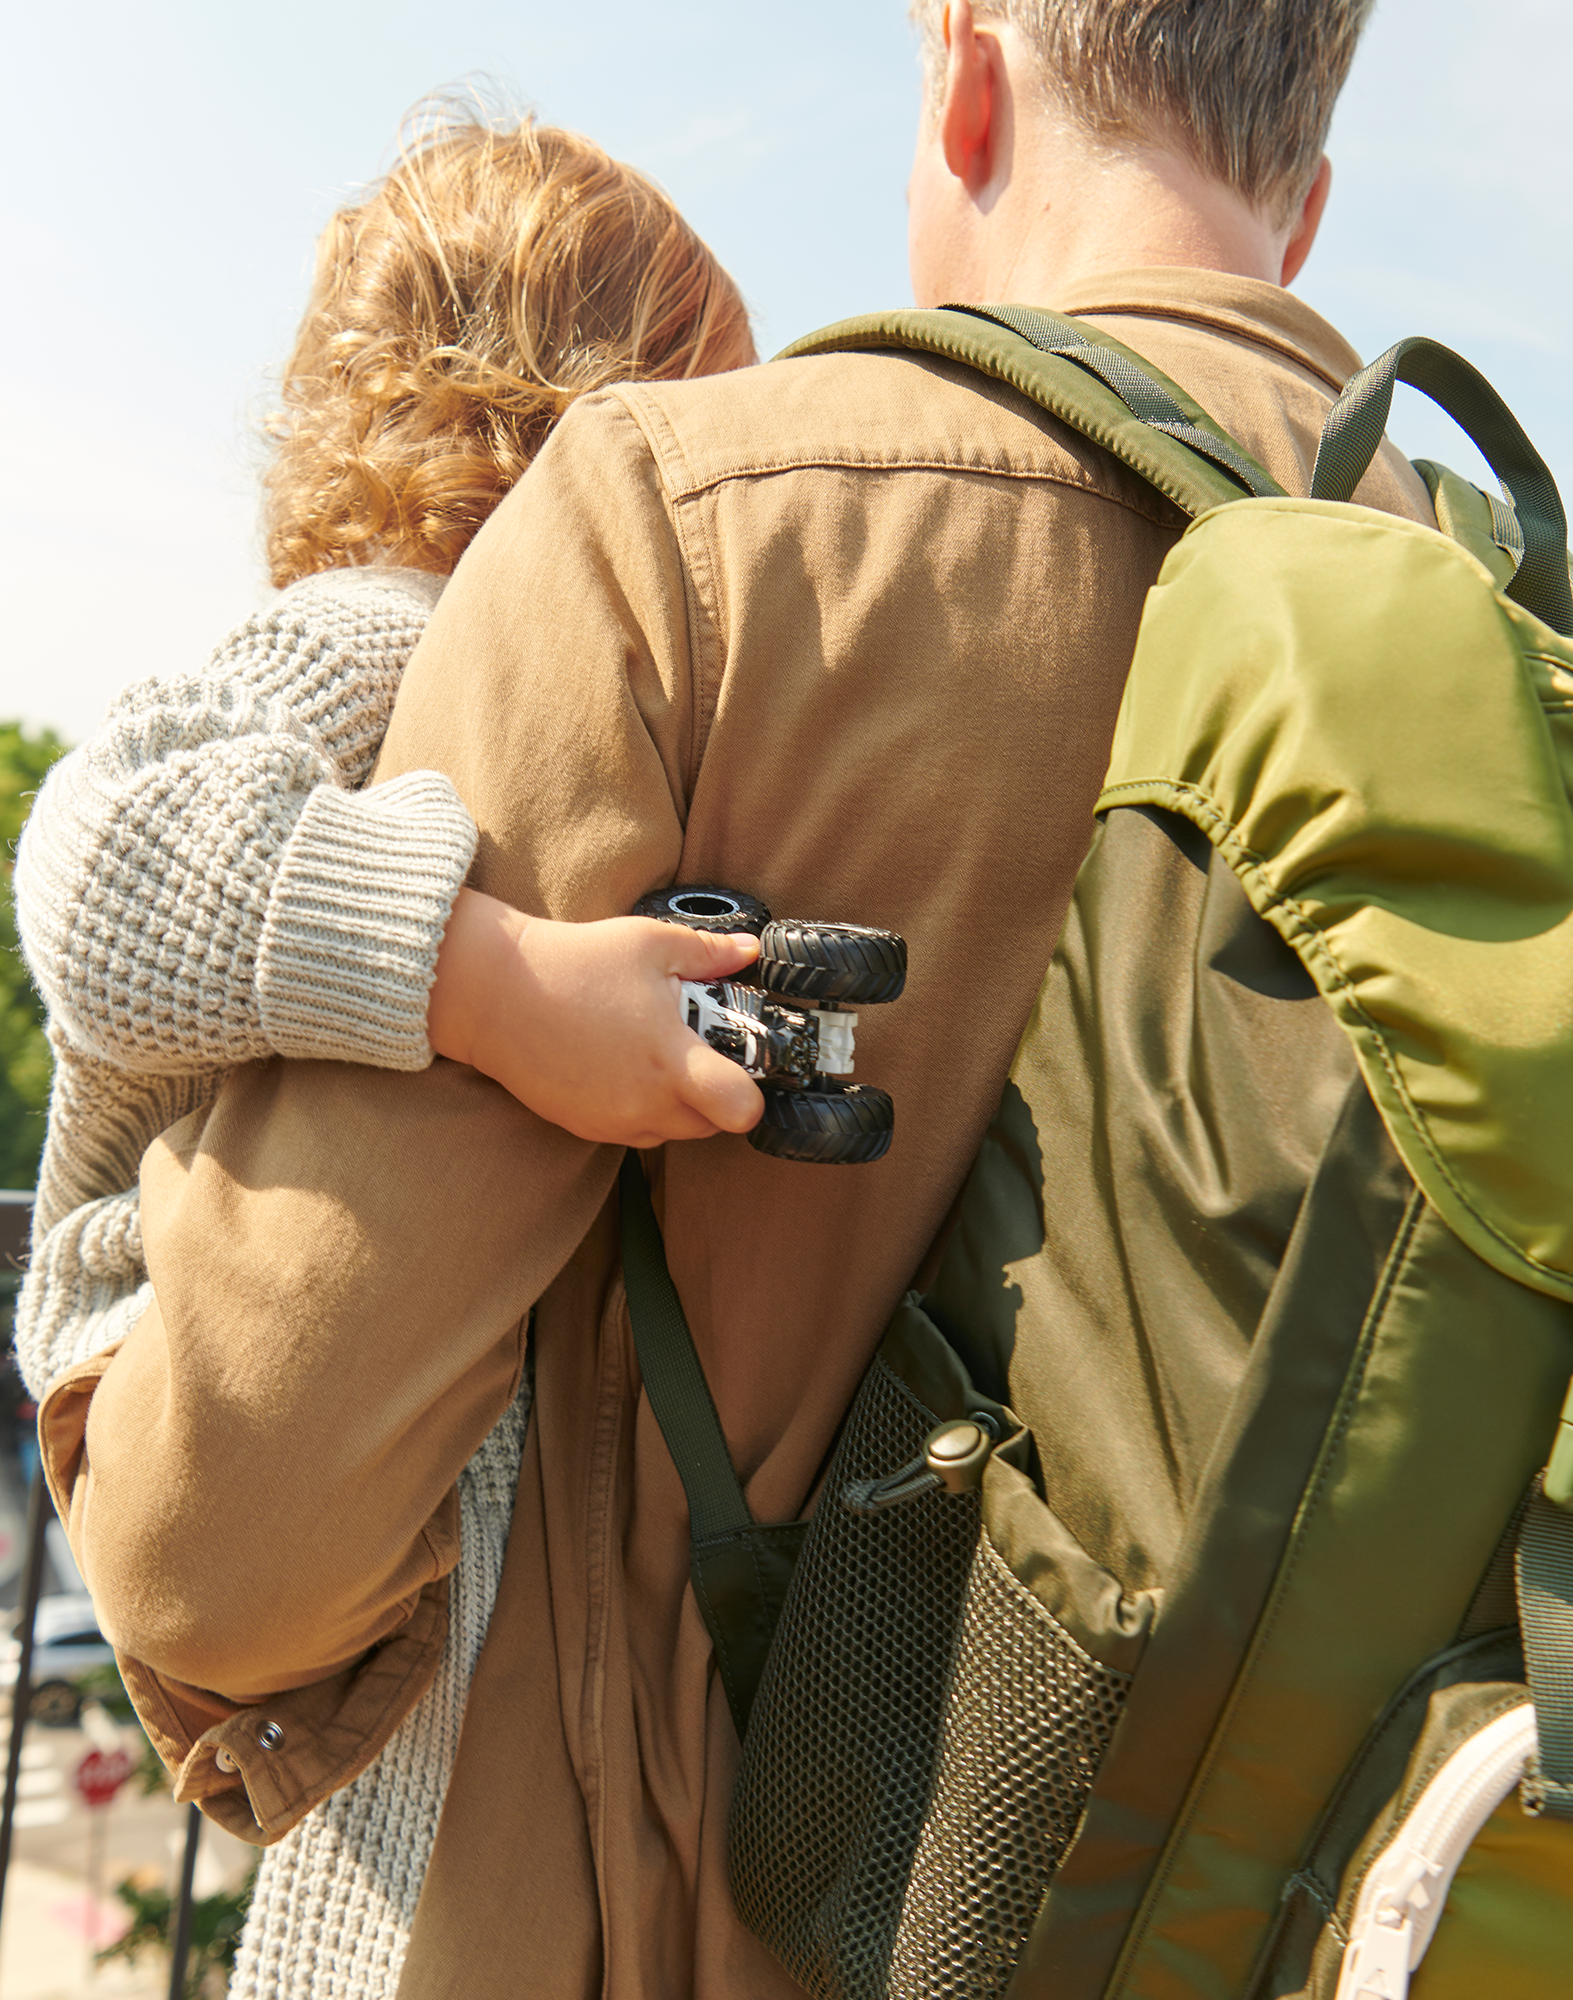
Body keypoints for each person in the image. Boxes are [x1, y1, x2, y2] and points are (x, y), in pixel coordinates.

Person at [42, 4, 1433, 1994]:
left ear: (966, 72)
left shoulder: (686, 539)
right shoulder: (1512, 638)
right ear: (1299, 208)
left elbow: (227, 1560)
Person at [14, 106, 757, 1998]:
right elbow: (100, 857)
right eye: (712, 417)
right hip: (170, 1345)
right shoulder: (386, 630)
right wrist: (499, 983)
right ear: (580, 418)